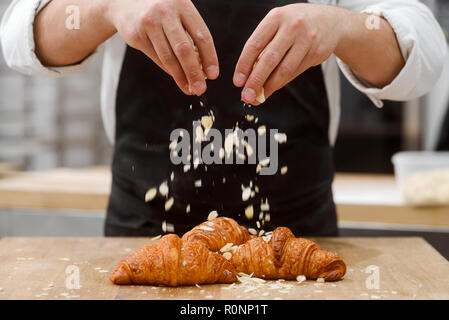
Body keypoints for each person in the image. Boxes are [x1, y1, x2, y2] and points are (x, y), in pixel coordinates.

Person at [1, 0, 447, 237]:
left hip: (296, 243)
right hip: (146, 240)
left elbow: (425, 55)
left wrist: (345, 26)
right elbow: (19, 35)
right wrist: (106, 8)